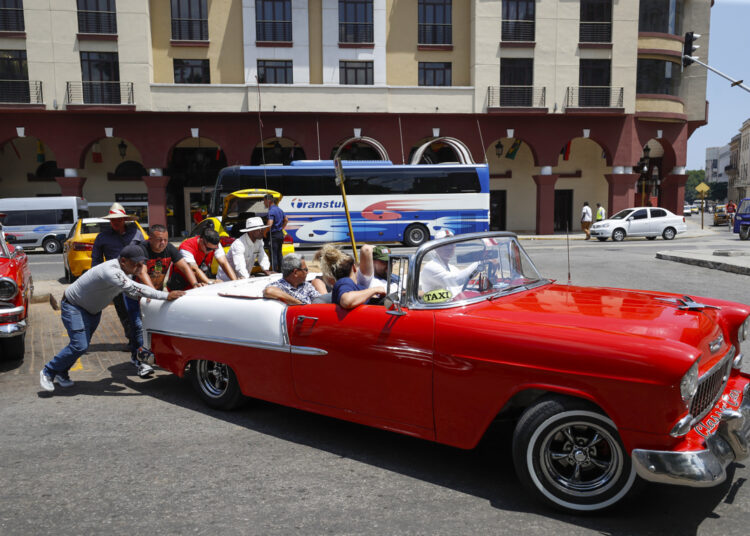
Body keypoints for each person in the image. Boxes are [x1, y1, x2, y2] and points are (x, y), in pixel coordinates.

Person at [39, 245, 185, 392]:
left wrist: (146, 298)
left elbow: (128, 292)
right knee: (79, 345)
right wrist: (165, 296)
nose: (139, 267)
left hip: (93, 311)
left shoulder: (125, 272)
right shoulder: (111, 271)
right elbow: (133, 288)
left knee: (80, 347)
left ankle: (62, 373)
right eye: (135, 264)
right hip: (74, 306)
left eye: (141, 263)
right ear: (123, 261)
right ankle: (48, 371)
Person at [123, 224, 198, 377]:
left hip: (154, 294)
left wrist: (195, 284)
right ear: (150, 239)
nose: (162, 243)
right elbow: (142, 273)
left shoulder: (169, 248)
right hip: (136, 295)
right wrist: (155, 294)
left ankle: (151, 355)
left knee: (157, 326)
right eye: (158, 240)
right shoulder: (141, 250)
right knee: (139, 327)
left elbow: (184, 266)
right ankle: (141, 362)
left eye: (165, 240)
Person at [91, 202, 145, 355]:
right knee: (123, 311)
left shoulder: (136, 233)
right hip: (115, 279)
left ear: (124, 220)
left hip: (136, 277)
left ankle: (142, 340)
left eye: (118, 219)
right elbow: (96, 261)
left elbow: (145, 252)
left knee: (140, 310)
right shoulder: (102, 237)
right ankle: (132, 340)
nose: (115, 222)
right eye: (112, 220)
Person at [167, 227, 236, 290]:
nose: (211, 251)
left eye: (214, 249)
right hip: (180, 284)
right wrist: (211, 283)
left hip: (198, 283)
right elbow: (194, 269)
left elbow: (224, 263)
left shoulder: (214, 245)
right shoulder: (186, 247)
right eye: (208, 249)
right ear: (201, 240)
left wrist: (235, 282)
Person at [419, 229, 481, 298]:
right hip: (439, 307)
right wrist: (480, 262)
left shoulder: (452, 268)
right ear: (436, 247)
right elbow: (456, 280)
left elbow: (464, 280)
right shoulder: (431, 267)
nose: (449, 247)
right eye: (445, 244)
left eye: (451, 243)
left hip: (454, 305)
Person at [217, 217, 272, 281]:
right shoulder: (239, 244)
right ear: (251, 231)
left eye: (263, 229)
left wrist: (266, 269)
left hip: (242, 277)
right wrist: (246, 277)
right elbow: (239, 265)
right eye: (260, 230)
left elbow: (262, 256)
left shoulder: (259, 241)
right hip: (226, 278)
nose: (262, 232)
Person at [264, 193, 288, 272]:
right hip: (280, 234)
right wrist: (281, 228)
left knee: (273, 254)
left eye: (264, 201)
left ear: (269, 201)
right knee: (279, 253)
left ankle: (274, 271)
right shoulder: (279, 209)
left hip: (273, 235)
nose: (264, 203)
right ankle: (281, 270)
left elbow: (269, 224)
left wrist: (264, 232)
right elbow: (286, 220)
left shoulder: (271, 211)